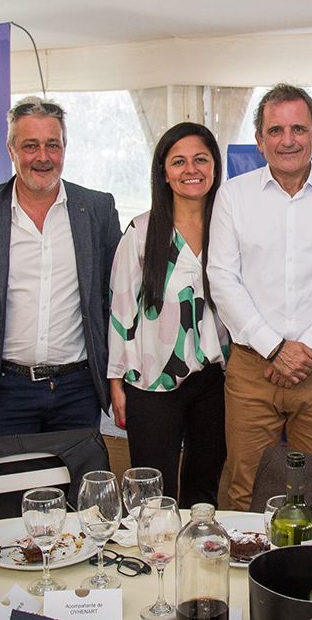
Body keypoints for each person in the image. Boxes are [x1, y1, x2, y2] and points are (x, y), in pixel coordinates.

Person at [208, 83, 312, 510]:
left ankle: (307, 576)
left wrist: (306, 350)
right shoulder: (232, 197)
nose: (288, 140)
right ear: (260, 140)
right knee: (245, 490)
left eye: (298, 128)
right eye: (276, 130)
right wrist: (276, 348)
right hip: (251, 371)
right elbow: (223, 279)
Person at [0, 97, 120, 436]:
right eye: (30, 146)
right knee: (8, 487)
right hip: (4, 392)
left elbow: (115, 299)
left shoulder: (97, 209)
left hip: (78, 389)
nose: (43, 157)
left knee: (74, 486)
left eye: (52, 145)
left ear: (65, 148)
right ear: (10, 149)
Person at [107, 122, 229, 507]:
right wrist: (116, 380)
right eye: (178, 161)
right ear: (163, 171)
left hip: (218, 378)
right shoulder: (141, 232)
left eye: (200, 159)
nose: (190, 169)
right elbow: (121, 309)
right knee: (151, 495)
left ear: (215, 166)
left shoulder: (230, 228)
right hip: (152, 379)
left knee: (204, 488)